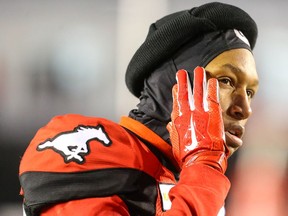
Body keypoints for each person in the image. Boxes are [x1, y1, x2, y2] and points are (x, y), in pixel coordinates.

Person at [19, 2, 259, 216]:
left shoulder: (191, 172)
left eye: (250, 92)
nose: (245, 109)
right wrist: (203, 170)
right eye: (226, 81)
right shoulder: (100, 149)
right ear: (172, 85)